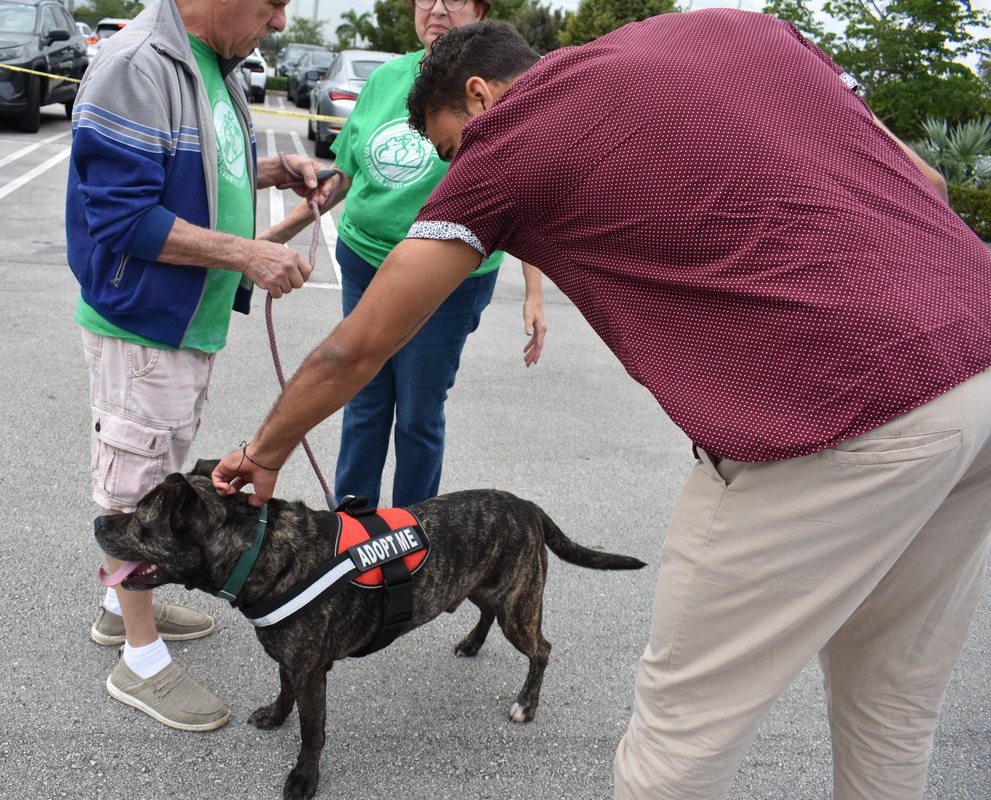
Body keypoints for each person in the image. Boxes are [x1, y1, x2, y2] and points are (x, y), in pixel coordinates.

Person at [211, 12, 991, 799]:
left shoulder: (506, 140)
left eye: (450, 149)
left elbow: (359, 345)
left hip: (845, 402)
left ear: (479, 97)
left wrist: (265, 452)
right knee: (891, 705)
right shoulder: (736, 28)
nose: (455, 171)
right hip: (979, 348)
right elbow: (927, 183)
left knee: (682, 730)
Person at [65, 0, 338, 732]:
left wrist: (270, 171)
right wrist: (248, 252)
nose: (281, 22)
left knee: (157, 467)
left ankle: (118, 611)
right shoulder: (136, 65)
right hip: (143, 321)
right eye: (276, 2)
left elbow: (196, 166)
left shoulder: (208, 62)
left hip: (182, 321)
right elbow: (122, 217)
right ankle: (140, 662)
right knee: (132, 486)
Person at [260, 0, 547, 508]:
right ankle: (352, 532)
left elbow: (527, 190)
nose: (435, 8)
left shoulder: (505, 96)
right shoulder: (386, 78)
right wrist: (274, 237)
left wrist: (533, 293)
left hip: (447, 282)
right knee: (361, 398)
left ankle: (410, 538)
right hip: (364, 259)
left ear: (480, 10)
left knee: (418, 412)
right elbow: (344, 176)